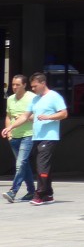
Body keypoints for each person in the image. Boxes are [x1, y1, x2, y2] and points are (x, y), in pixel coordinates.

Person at [6, 73, 69, 205]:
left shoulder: (54, 96)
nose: (33, 89)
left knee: (42, 166)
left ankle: (39, 194)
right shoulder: (35, 100)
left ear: (43, 83)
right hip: (37, 137)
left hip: (49, 137)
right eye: (32, 86)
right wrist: (10, 127)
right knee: (43, 166)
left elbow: (64, 113)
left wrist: (48, 117)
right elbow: (25, 116)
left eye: (35, 86)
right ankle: (48, 194)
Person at [2, 74, 36, 202]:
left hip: (28, 134)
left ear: (24, 85)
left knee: (20, 163)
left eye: (18, 85)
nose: (14, 87)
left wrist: (24, 117)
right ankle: (32, 191)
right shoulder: (10, 98)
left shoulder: (32, 98)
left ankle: (13, 191)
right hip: (14, 136)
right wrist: (9, 133)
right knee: (24, 165)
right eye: (13, 84)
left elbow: (37, 116)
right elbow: (8, 116)